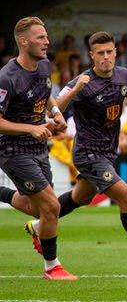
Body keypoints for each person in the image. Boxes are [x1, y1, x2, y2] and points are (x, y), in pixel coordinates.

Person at [23, 31, 127, 271]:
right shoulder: (82, 82)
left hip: (108, 152)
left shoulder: (123, 75)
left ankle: (40, 226)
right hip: (88, 154)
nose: (106, 57)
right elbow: (53, 110)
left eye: (109, 52)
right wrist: (74, 89)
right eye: (100, 53)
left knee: (80, 197)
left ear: (115, 52)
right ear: (91, 56)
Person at [0, 17, 76, 280]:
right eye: (40, 37)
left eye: (46, 36)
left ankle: (1, 194)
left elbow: (46, 96)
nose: (47, 42)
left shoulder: (44, 66)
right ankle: (52, 267)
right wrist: (31, 128)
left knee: (39, 210)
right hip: (12, 149)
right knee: (52, 207)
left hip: (38, 146)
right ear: (24, 41)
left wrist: (55, 114)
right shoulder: (7, 78)